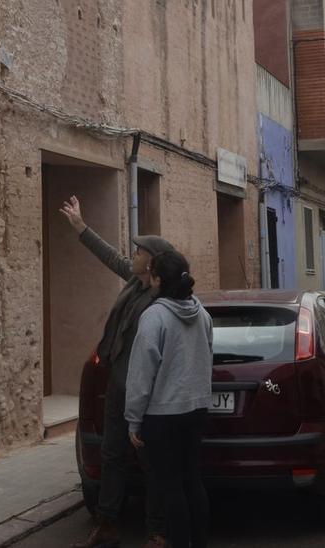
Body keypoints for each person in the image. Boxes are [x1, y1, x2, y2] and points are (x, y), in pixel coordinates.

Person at [59, 196, 174, 548]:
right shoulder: (135, 282)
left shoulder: (161, 298)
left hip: (144, 392)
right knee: (112, 456)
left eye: (139, 252)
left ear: (151, 262)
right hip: (117, 386)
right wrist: (81, 227)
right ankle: (107, 523)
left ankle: (157, 531)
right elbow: (111, 257)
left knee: (150, 462)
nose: (133, 255)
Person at [126, 250, 213, 548]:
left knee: (170, 487)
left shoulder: (154, 317)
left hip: (162, 416)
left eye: (151, 272)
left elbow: (141, 373)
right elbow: (207, 357)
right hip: (197, 409)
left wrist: (133, 420)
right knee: (192, 479)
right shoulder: (203, 314)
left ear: (158, 279)